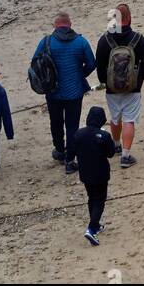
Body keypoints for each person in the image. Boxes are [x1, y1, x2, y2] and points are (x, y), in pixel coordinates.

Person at [31, 12, 96, 170]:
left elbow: (35, 63)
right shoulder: (80, 42)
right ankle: (70, 159)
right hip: (74, 91)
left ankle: (60, 150)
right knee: (72, 125)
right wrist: (80, 74)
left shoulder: (46, 41)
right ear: (70, 25)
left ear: (55, 25)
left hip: (53, 91)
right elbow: (92, 63)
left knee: (56, 122)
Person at [96, 4, 144, 168]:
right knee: (129, 119)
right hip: (132, 86)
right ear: (129, 18)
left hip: (112, 87)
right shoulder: (138, 39)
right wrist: (142, 79)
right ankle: (126, 156)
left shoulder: (105, 40)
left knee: (115, 116)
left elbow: (99, 64)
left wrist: (104, 81)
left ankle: (116, 144)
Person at [73, 105, 116, 245]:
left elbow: (72, 151)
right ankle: (91, 228)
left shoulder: (78, 134)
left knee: (91, 197)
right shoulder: (104, 136)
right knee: (100, 199)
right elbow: (111, 153)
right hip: (101, 173)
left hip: (85, 173)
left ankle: (95, 225)